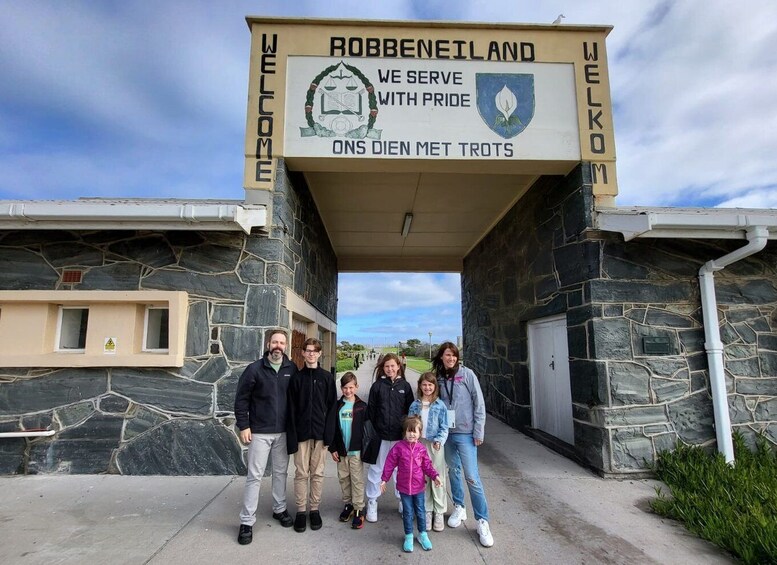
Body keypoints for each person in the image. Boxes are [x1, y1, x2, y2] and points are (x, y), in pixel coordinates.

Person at [234, 329, 296, 545]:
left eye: (282, 342)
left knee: (280, 473)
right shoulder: (254, 370)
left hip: (283, 432)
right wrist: (244, 425)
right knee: (255, 476)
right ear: (268, 344)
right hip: (259, 431)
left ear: (286, 346)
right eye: (275, 342)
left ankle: (279, 509)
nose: (278, 346)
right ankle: (246, 521)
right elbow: (241, 399)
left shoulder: (292, 369)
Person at [433, 341, 494, 548]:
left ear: (457, 357)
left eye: (453, 355)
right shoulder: (440, 377)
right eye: (446, 355)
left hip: (466, 433)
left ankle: (482, 520)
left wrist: (479, 430)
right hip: (447, 434)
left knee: (472, 476)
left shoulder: (467, 374)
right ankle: (459, 506)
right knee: (454, 471)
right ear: (441, 357)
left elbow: (479, 402)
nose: (450, 358)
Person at [286, 337, 337, 533]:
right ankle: (300, 510)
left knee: (317, 473)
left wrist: (329, 435)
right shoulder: (296, 379)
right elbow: (291, 409)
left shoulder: (326, 378)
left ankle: (314, 509)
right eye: (307, 350)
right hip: (301, 434)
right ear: (303, 353)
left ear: (319, 353)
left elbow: (332, 407)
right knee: (301, 473)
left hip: (320, 433)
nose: (311, 354)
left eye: (314, 351)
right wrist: (292, 436)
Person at [365, 352, 414, 523]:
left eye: (393, 366)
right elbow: (371, 412)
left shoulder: (405, 387)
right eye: (387, 366)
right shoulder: (377, 386)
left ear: (398, 366)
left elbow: (410, 411)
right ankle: (372, 500)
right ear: (382, 368)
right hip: (381, 436)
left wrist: (408, 433)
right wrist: (374, 432)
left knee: (400, 470)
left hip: (400, 437)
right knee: (377, 469)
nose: (390, 369)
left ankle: (403, 501)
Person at [381, 415, 442, 553]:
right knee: (408, 512)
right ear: (405, 432)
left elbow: (427, 465)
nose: (411, 434)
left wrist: (435, 476)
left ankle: (422, 535)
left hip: (418, 487)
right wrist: (384, 479)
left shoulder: (421, 449)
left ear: (420, 433)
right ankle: (408, 536)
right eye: (409, 431)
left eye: (414, 431)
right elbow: (390, 463)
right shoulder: (399, 448)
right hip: (404, 488)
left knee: (421, 511)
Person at [324, 371, 368, 529]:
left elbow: (367, 431)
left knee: (356, 480)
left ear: (356, 387)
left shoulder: (362, 407)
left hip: (355, 451)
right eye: (344, 388)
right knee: (343, 478)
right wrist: (333, 448)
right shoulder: (337, 406)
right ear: (341, 388)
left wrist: (365, 450)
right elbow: (333, 429)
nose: (348, 391)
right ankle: (348, 504)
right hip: (342, 451)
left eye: (351, 387)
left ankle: (358, 508)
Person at [408, 372, 449, 532]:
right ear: (420, 386)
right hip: (419, 445)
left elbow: (444, 426)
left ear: (434, 387)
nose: (427, 388)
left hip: (434, 445)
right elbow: (410, 426)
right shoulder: (414, 405)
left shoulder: (440, 405)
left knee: (437, 477)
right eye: (424, 384)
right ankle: (427, 510)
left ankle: (439, 511)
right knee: (422, 478)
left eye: (430, 385)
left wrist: (439, 439)